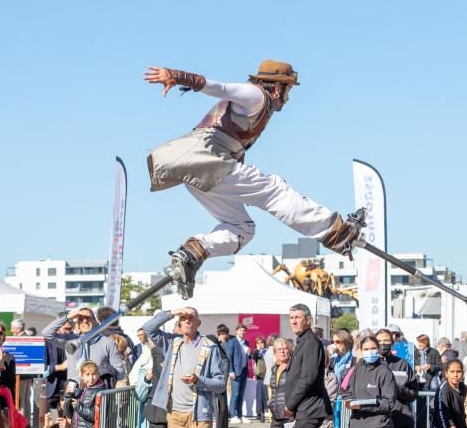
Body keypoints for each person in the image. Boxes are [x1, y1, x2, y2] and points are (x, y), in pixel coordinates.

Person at [143, 61, 363, 299]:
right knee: (275, 191)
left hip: (200, 173)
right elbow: (219, 87)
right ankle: (335, 233)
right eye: (288, 90)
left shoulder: (255, 105)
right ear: (277, 87)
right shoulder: (255, 95)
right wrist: (177, 76)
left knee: (242, 229)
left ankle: (194, 251)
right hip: (210, 163)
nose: (288, 98)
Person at [41, 307, 127, 387]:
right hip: (74, 392)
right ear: (78, 324)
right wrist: (70, 316)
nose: (85, 321)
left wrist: (105, 377)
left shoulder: (107, 342)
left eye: (88, 317)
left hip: (98, 392)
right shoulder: (70, 341)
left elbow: (119, 371)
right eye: (81, 318)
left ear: (95, 321)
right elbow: (46, 333)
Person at [251, 336, 269, 421]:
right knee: (259, 395)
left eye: (261, 342)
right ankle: (260, 414)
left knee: (266, 395)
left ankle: (268, 412)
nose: (260, 344)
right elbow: (253, 358)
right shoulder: (255, 352)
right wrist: (257, 350)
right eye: (257, 343)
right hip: (260, 376)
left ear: (264, 343)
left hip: (267, 375)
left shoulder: (268, 351)